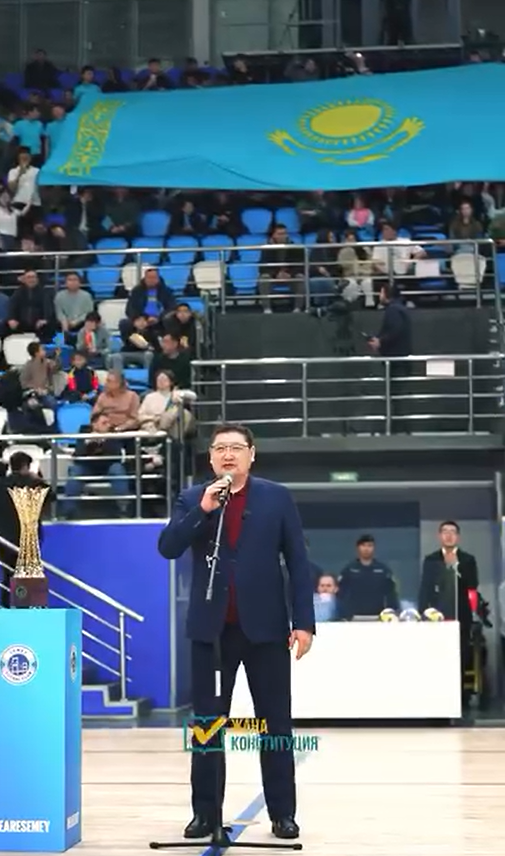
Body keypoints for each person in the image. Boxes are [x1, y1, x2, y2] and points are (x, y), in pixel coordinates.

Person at [158, 423, 314, 840]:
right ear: (210, 457)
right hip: (211, 632)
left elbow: (298, 562)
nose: (228, 455)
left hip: (266, 630)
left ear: (251, 454)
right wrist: (203, 510)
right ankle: (205, 813)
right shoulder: (193, 498)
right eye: (220, 448)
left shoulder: (276, 497)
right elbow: (168, 547)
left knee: (275, 724)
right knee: (207, 726)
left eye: (236, 448)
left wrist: (303, 623)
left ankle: (282, 813)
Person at [418, 520, 479, 698]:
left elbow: (473, 584)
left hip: (461, 614)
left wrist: (454, 567)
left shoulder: (468, 559)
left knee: (461, 654)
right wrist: (423, 611)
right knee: (438, 655)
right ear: (439, 536)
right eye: (445, 532)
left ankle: (461, 695)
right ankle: (439, 694)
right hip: (437, 615)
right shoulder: (431, 560)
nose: (449, 535)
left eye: (452, 532)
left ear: (457, 536)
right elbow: (426, 587)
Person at [0, 451, 51, 607]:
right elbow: (51, 496)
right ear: (27, 466)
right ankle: (26, 611)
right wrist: (37, 477)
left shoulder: (2, 484)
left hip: (5, 539)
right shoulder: (34, 483)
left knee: (8, 576)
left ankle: (6, 607)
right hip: (28, 538)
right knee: (28, 577)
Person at [63, 412, 130, 519]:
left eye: (108, 423)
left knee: (117, 469)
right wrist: (87, 443)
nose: (108, 425)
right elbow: (77, 455)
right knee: (75, 471)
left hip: (107, 466)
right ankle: (69, 512)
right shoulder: (84, 432)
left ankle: (124, 509)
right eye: (104, 423)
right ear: (94, 425)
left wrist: (104, 441)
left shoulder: (112, 433)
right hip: (87, 467)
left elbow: (116, 455)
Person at [337, 534, 399, 619]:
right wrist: (345, 614)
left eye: (370, 545)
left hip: (379, 616)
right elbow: (341, 594)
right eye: (363, 545)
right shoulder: (349, 570)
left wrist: (391, 613)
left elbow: (391, 595)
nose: (366, 549)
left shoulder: (383, 570)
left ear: (374, 548)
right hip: (354, 617)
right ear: (358, 548)